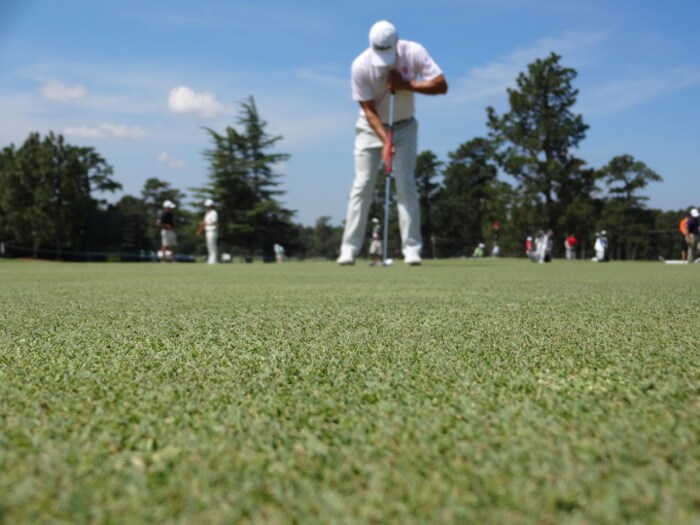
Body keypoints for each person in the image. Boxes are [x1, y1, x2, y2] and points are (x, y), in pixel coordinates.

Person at [337, 20, 448, 266]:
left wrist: (407, 85)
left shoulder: (414, 52)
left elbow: (441, 85)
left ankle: (412, 249)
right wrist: (385, 139)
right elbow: (368, 109)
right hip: (370, 128)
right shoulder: (360, 65)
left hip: (405, 126)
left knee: (406, 183)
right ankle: (349, 249)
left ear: (397, 43)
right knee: (363, 184)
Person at [195, 199, 218, 264]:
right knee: (209, 246)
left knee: (212, 245)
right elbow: (204, 223)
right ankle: (211, 260)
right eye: (206, 206)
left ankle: (213, 260)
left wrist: (205, 224)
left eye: (208, 206)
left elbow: (214, 222)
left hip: (212, 231)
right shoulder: (207, 213)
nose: (207, 207)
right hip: (207, 231)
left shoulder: (214, 213)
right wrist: (199, 231)